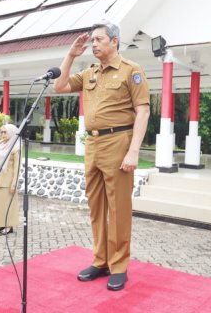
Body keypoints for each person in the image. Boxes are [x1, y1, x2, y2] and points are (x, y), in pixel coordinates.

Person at [53, 21, 150, 291]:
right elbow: (59, 87)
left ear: (114, 41)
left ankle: (119, 266)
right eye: (92, 40)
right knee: (96, 208)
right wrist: (71, 56)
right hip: (93, 145)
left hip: (119, 141)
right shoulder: (89, 73)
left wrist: (133, 151)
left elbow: (143, 111)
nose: (93, 44)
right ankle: (101, 260)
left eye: (98, 39)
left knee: (118, 209)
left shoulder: (132, 71)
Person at [0, 124, 20, 236]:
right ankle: (0, 224)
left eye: (5, 132)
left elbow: (17, 168)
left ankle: (9, 226)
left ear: (11, 133)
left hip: (8, 181)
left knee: (8, 205)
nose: (3, 134)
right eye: (2, 132)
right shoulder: (0, 144)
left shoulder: (16, 148)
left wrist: (14, 184)